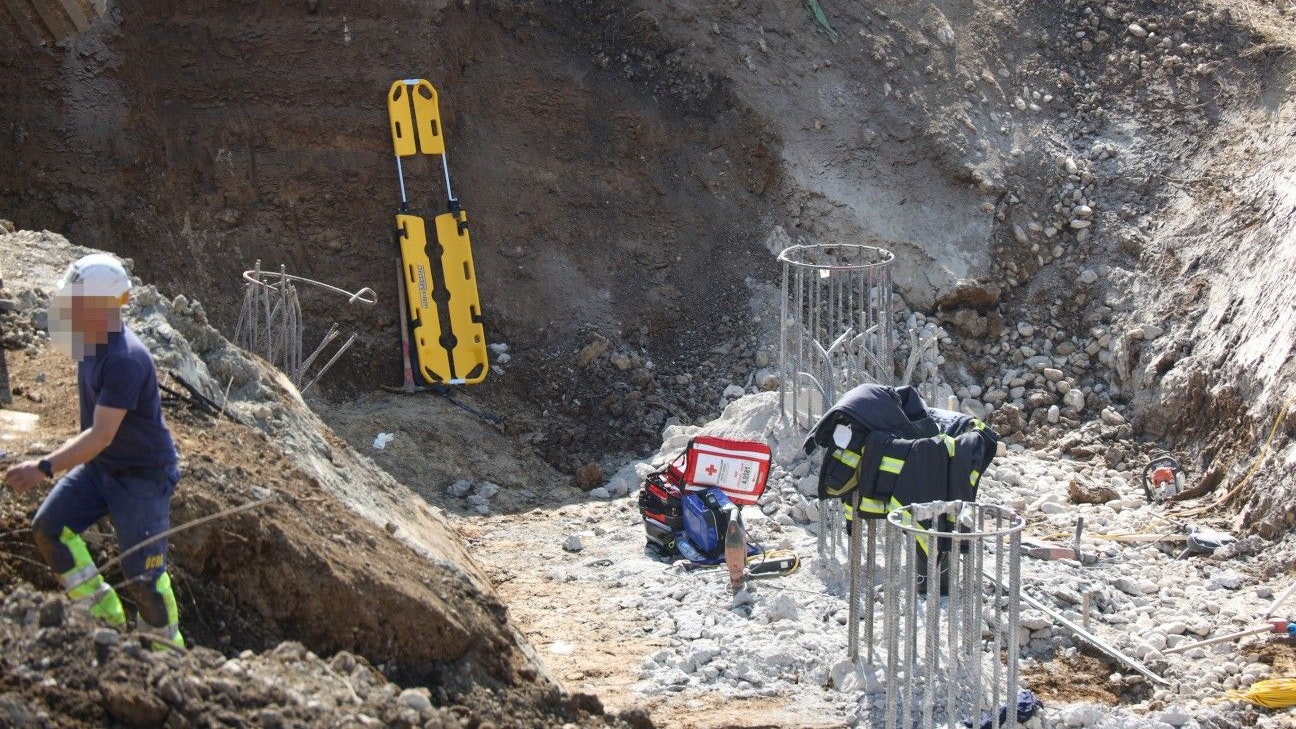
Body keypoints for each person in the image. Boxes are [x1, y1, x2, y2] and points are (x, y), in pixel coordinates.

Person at [2, 253, 183, 650]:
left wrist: (44, 466)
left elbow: (100, 434)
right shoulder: (90, 343)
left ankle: (167, 653)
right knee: (49, 527)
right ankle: (103, 619)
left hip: (142, 477)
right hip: (103, 469)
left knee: (143, 575)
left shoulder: (126, 359)